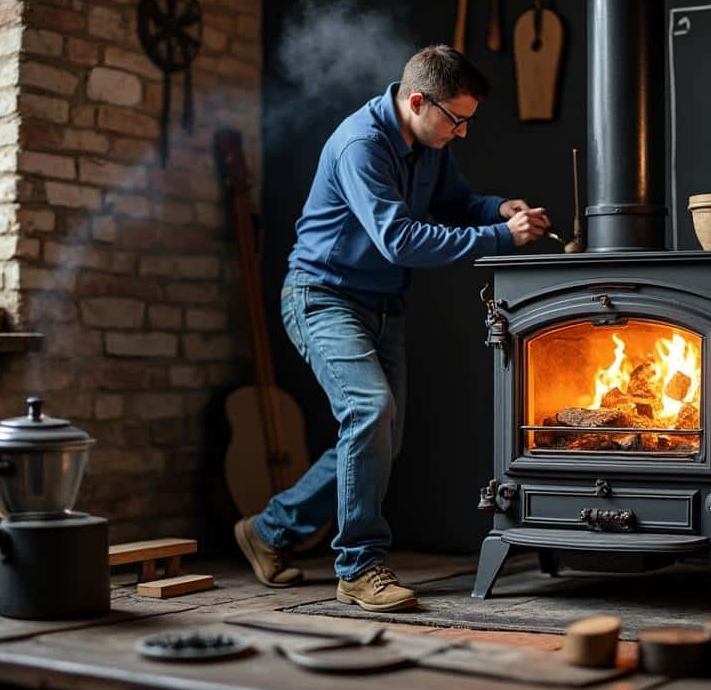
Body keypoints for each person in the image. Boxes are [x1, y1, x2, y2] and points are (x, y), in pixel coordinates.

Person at [234, 45, 550, 612]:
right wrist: (502, 239)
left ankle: (268, 531)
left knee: (382, 437)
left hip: (382, 306)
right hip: (322, 298)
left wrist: (498, 210)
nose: (463, 132)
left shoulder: (430, 145)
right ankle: (358, 568)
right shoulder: (361, 144)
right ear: (418, 101)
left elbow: (456, 203)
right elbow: (399, 240)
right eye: (457, 119)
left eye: (468, 121)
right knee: (369, 411)